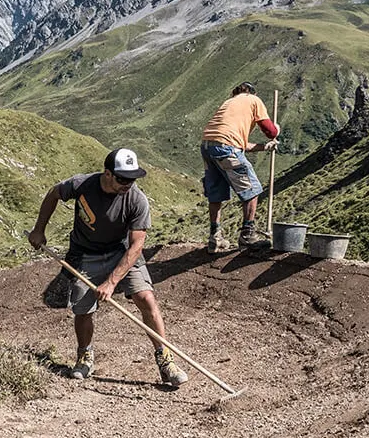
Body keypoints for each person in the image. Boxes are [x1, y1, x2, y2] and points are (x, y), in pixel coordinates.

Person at [27, 148, 189, 387]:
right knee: (83, 308)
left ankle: (165, 359)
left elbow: (136, 246)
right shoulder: (82, 185)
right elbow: (53, 194)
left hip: (122, 253)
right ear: (108, 174)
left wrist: (112, 281)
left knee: (145, 297)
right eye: (123, 179)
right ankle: (85, 355)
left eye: (132, 178)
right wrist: (39, 229)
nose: (128, 184)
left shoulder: (136, 199)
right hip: (85, 254)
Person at [200, 81, 280, 252]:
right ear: (252, 92)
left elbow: (238, 146)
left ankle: (215, 237)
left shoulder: (229, 103)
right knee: (252, 189)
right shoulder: (253, 100)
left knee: (216, 192)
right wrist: (276, 131)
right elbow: (270, 131)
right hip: (226, 146)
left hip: (208, 145)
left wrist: (264, 147)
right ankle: (247, 235)